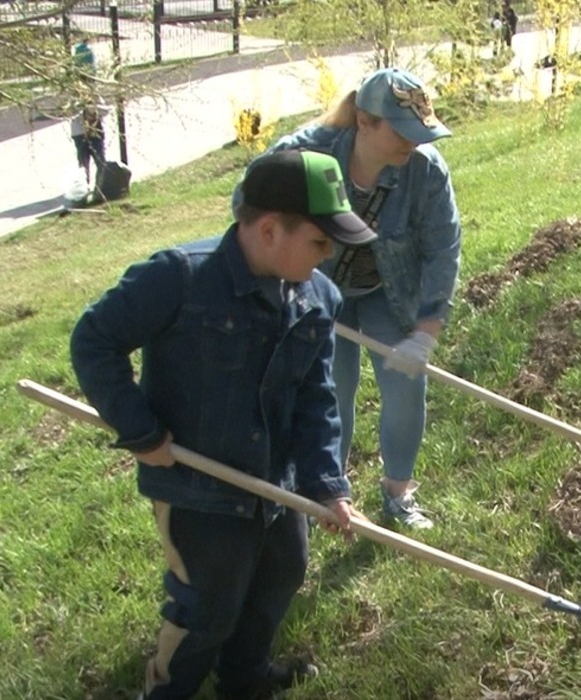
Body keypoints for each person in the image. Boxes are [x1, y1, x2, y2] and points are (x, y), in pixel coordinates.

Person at [70, 149, 377, 700]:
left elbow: (316, 399)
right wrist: (141, 431)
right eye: (319, 242)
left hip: (274, 487)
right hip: (197, 489)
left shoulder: (317, 298)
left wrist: (326, 485)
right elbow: (94, 340)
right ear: (267, 231)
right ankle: (170, 690)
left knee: (280, 577)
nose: (328, 256)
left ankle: (245, 678)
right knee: (207, 605)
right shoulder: (179, 278)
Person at [234, 67, 461, 529]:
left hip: (389, 294)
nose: (414, 143)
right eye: (403, 132)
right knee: (330, 391)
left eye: (421, 131)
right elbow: (247, 202)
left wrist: (425, 333)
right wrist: (278, 277)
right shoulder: (307, 153)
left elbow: (444, 249)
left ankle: (399, 493)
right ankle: (329, 495)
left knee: (405, 387)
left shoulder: (426, 170)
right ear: (365, 122)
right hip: (317, 291)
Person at [70, 99, 107, 186]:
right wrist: (79, 106)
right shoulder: (73, 101)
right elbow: (70, 114)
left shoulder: (95, 99)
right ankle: (85, 185)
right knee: (83, 163)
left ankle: (102, 184)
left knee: (101, 161)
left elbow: (106, 110)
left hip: (95, 135)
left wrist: (92, 105)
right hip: (80, 135)